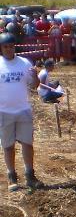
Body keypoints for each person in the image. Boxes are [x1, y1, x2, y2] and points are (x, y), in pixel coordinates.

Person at [0, 33, 44, 191]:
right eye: (5, 47)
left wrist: (36, 77)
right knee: (8, 145)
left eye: (11, 46)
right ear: (1, 48)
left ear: (14, 47)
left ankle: (30, 175)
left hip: (23, 109)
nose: (8, 49)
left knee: (27, 143)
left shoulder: (24, 63)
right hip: (4, 111)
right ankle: (12, 176)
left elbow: (34, 86)